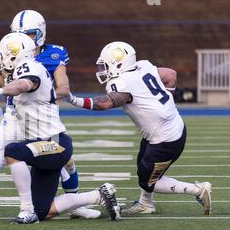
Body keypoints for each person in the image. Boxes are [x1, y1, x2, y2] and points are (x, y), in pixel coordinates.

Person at [0, 32, 121, 224]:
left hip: (55, 144)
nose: (1, 58)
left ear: (16, 54)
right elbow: (18, 82)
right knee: (44, 211)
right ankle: (99, 195)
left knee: (13, 151)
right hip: (46, 144)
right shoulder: (27, 67)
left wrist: (1, 90)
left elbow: (22, 84)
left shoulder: (30, 68)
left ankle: (26, 210)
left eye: (4, 54)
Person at [67, 41, 212, 215]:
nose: (102, 70)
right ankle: (146, 204)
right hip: (167, 129)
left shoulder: (122, 82)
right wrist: (166, 99)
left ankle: (198, 190)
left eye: (105, 65)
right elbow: (170, 74)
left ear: (119, 63)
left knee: (149, 181)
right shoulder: (143, 66)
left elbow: (105, 103)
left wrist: (74, 100)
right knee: (144, 169)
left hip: (165, 139)